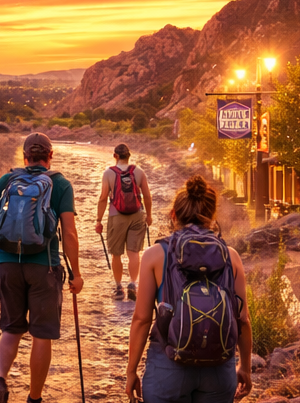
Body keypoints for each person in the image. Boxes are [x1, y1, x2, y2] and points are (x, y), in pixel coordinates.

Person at [125, 175, 251, 403]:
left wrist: (131, 370)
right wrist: (245, 367)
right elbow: (243, 320)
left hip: (168, 367)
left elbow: (142, 319)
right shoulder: (231, 257)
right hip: (220, 369)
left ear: (173, 215)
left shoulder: (155, 255)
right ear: (212, 216)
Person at [0, 133, 83, 403]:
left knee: (11, 329)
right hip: (44, 268)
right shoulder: (60, 184)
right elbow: (70, 234)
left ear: (24, 156)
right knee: (41, 335)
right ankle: (34, 398)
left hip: (7, 264)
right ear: (50, 156)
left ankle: (0, 379)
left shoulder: (7, 180)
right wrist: (76, 273)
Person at [95, 142, 153, 301]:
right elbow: (147, 196)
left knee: (116, 254)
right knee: (134, 253)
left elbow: (103, 198)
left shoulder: (108, 173)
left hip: (116, 216)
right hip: (137, 215)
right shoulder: (139, 172)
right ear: (129, 156)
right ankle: (133, 284)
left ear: (115, 156)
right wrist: (149, 216)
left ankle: (119, 287)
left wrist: (98, 220)